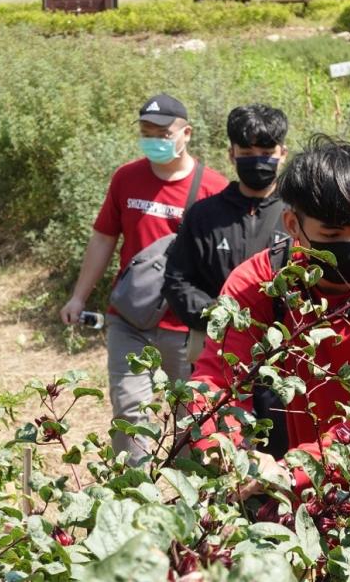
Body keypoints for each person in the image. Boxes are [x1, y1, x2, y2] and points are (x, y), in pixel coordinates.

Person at [189, 135, 350, 494]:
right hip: (273, 477)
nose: (349, 247)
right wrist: (232, 451)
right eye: (331, 233)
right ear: (293, 225)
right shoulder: (260, 281)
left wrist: (297, 471)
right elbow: (216, 381)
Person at [59, 93, 228, 463]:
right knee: (128, 410)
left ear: (187, 133)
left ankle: (191, 502)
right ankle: (134, 491)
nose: (154, 138)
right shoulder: (126, 178)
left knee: (191, 417)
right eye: (146, 130)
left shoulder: (213, 189)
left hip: (185, 326)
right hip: (130, 318)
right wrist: (78, 297)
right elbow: (104, 237)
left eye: (163, 132)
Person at [163, 104, 289, 364]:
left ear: (283, 153)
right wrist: (216, 313)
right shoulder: (203, 215)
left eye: (266, 152)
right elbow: (177, 281)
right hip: (216, 350)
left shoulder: (298, 216)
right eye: (247, 152)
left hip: (285, 352)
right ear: (232, 154)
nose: (257, 160)